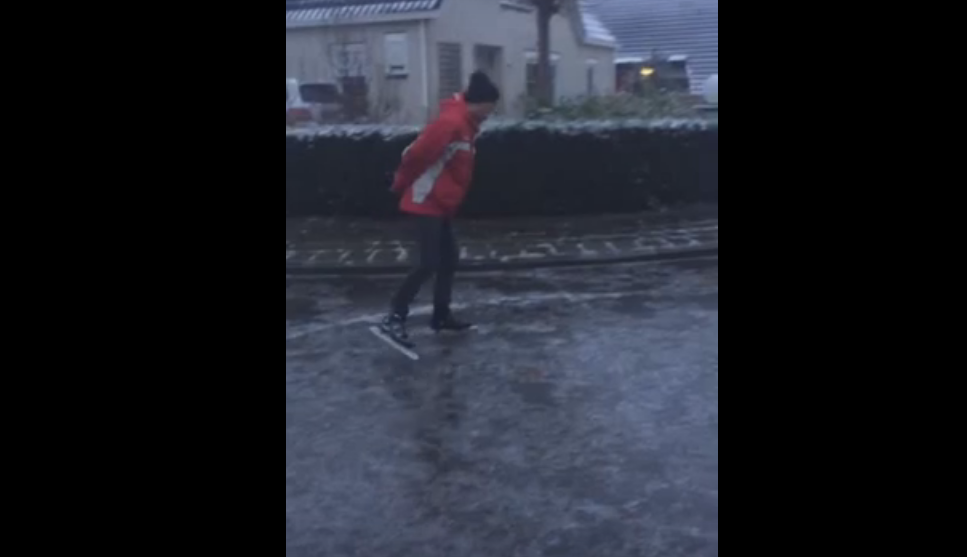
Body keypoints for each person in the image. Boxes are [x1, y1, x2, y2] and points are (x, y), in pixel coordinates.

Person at [378, 71, 501, 349]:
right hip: (425, 201)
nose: (491, 113)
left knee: (449, 259)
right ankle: (394, 317)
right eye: (491, 107)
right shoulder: (451, 123)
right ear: (479, 103)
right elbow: (414, 155)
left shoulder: (465, 126)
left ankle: (441, 316)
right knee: (427, 262)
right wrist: (399, 183)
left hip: (440, 204)